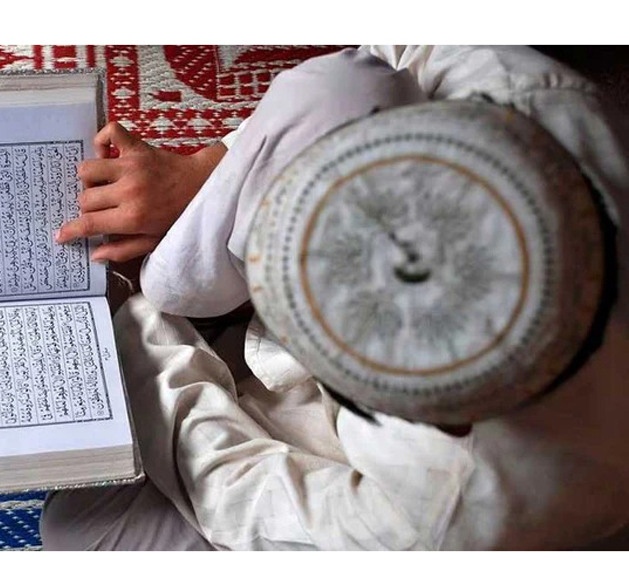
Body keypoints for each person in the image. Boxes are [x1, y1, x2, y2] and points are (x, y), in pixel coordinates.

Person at [41, 46, 629, 550]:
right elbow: (385, 53)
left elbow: (241, 493)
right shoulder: (529, 94)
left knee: (85, 533)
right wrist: (207, 171)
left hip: (371, 463)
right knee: (342, 85)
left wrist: (136, 324)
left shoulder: (444, 513)